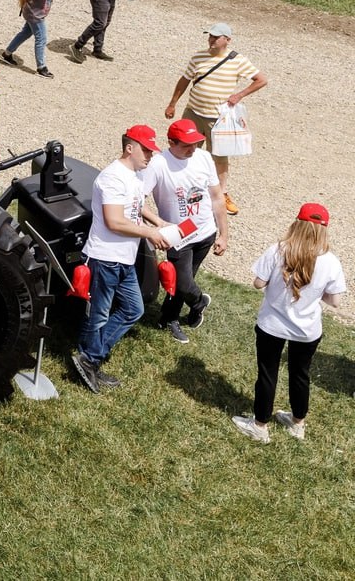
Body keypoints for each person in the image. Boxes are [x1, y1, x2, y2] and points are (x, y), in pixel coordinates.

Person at [232, 204, 346, 443]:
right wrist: (314, 293)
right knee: (300, 374)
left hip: (272, 325)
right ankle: (297, 423)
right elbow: (335, 300)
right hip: (307, 330)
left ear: (297, 223)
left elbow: (257, 283)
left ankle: (260, 426)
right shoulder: (330, 261)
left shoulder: (278, 250)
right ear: (324, 230)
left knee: (267, 373)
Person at [70, 125, 171, 393]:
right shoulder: (112, 178)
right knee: (99, 315)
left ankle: (89, 357)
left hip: (123, 259)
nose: (150, 155)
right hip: (105, 258)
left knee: (133, 310)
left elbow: (137, 205)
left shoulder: (135, 176)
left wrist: (157, 221)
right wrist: (149, 232)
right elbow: (115, 221)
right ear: (130, 147)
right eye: (146, 150)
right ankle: (89, 360)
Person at [163, 23, 266, 216]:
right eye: (210, 36)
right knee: (185, 149)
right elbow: (184, 80)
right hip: (193, 112)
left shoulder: (238, 61)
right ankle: (180, 186)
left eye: (216, 37)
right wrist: (172, 103)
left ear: (227, 40)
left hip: (218, 118)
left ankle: (221, 193)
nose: (211, 40)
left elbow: (261, 79)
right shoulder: (198, 57)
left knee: (219, 157)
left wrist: (240, 95)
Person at [142, 119, 228, 344]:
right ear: (171, 142)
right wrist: (159, 223)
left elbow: (217, 197)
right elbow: (137, 201)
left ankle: (168, 318)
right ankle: (199, 303)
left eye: (196, 143)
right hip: (178, 237)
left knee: (184, 279)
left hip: (205, 232)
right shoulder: (158, 164)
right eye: (186, 145)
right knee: (182, 282)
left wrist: (224, 234)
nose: (193, 149)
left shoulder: (204, 157)